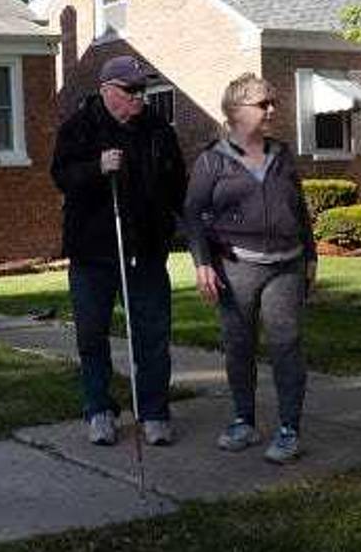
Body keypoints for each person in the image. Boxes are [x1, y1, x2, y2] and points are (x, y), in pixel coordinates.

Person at [51, 55, 187, 447]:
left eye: (142, 90)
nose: (139, 98)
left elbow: (177, 183)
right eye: (131, 91)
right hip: (92, 254)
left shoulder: (158, 129)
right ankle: (99, 410)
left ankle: (155, 412)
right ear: (108, 90)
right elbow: (61, 176)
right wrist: (97, 168)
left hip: (145, 252)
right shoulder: (79, 128)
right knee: (92, 336)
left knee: (152, 335)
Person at [184, 73, 316, 464]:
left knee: (287, 346)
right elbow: (192, 215)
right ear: (236, 111)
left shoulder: (283, 154)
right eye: (263, 104)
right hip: (236, 266)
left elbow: (300, 210)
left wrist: (310, 256)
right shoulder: (213, 160)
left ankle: (289, 429)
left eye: (272, 102)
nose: (272, 109)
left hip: (286, 266)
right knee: (239, 347)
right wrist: (203, 262)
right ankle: (243, 420)